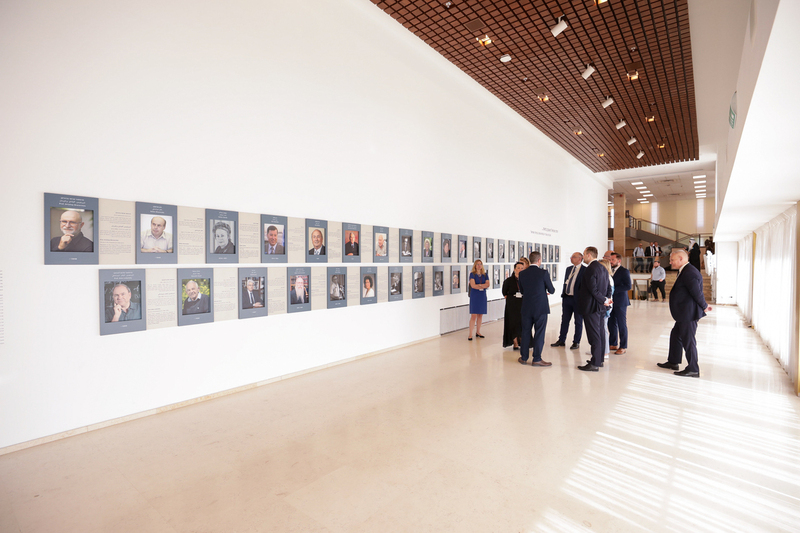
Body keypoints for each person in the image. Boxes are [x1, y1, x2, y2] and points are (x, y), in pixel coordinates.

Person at [657, 249, 712, 377]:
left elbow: (696, 292)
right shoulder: (686, 270)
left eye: (672, 260)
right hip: (684, 313)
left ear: (681, 259)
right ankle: (673, 361)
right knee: (676, 335)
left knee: (688, 340)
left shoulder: (689, 272)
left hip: (688, 313)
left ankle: (693, 368)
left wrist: (704, 306)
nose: (670, 262)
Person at [576, 247, 611, 371]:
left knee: (594, 335)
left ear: (589, 255)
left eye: (584, 254)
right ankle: (599, 360)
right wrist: (606, 299)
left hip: (591, 307)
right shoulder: (603, 267)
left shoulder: (590, 269)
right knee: (600, 333)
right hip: (600, 307)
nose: (583, 257)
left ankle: (595, 364)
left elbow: (593, 289)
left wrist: (604, 300)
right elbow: (608, 287)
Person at [517, 251, 555, 366]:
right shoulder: (543, 273)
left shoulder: (522, 274)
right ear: (539, 260)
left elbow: (522, 291)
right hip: (540, 308)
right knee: (539, 333)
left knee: (525, 332)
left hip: (526, 307)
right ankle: (537, 358)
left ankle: (524, 357)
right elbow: (552, 290)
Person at [551, 252, 584, 350]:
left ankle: (576, 342)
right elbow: (566, 282)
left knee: (578, 321)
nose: (571, 258)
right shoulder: (569, 269)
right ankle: (561, 339)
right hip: (567, 298)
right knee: (565, 320)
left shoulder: (585, 270)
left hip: (578, 299)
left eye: (573, 257)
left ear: (580, 259)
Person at [608, 252, 631, 354]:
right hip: (610, 301)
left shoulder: (624, 271)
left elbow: (628, 286)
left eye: (613, 260)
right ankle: (613, 343)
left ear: (619, 261)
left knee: (622, 324)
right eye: (610, 260)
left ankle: (623, 346)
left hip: (621, 301)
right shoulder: (609, 270)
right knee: (611, 323)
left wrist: (613, 290)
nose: (611, 261)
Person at [502, 262, 524, 350]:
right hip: (512, 305)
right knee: (512, 323)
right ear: (514, 269)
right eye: (518, 268)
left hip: (522, 303)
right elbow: (504, 293)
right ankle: (515, 342)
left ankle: (522, 340)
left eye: (522, 268)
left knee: (522, 323)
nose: (520, 270)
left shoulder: (526, 280)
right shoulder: (508, 281)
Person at [468, 259, 490, 340]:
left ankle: (478, 332)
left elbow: (488, 284)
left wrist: (479, 285)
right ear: (475, 265)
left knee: (480, 315)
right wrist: (482, 285)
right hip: (475, 296)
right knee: (473, 315)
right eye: (477, 264)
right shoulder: (472, 274)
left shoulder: (485, 275)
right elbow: (473, 285)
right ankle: (470, 334)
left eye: (480, 264)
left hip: (482, 296)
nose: (479, 265)